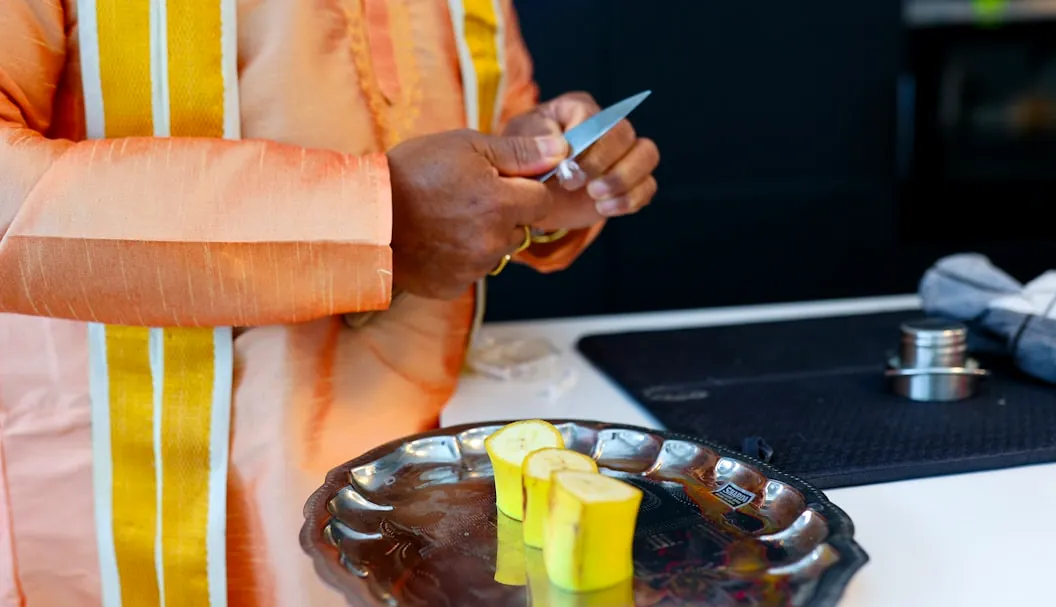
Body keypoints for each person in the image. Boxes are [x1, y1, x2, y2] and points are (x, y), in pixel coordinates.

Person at [0, 0, 659, 605]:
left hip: (433, 501)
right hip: (145, 535)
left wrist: (539, 171)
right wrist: (379, 220)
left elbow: (483, 115)